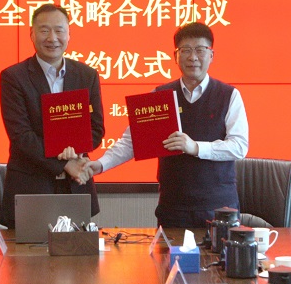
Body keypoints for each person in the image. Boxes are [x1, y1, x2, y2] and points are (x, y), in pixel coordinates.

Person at [86, 22, 248, 228]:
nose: (193, 57)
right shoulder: (161, 96)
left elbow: (239, 146)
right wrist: (101, 164)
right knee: (168, 251)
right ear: (175, 56)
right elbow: (132, 141)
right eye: (186, 50)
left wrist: (195, 147)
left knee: (222, 251)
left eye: (200, 50)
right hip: (174, 207)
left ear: (211, 55)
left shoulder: (229, 95)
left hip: (219, 207)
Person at [0, 3, 104, 226]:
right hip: (31, 187)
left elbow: (96, 129)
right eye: (44, 30)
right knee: (28, 248)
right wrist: (64, 164)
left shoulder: (87, 76)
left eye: (59, 30)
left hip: (76, 186)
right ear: (31, 33)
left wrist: (75, 151)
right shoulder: (14, 77)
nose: (52, 38)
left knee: (78, 248)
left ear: (69, 34)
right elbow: (21, 135)